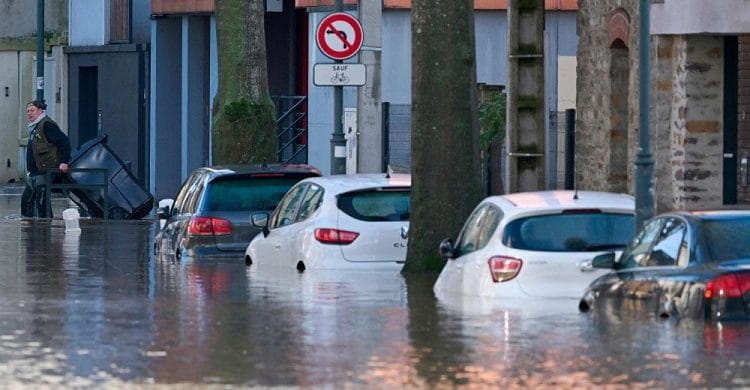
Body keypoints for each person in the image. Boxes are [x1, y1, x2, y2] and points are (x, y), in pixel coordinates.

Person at [21, 100, 72, 218]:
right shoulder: (34, 127)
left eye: (32, 110)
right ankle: (30, 229)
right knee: (26, 201)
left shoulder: (47, 125)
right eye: (28, 111)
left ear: (40, 111)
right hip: (34, 172)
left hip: (45, 171)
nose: (29, 113)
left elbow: (64, 141)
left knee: (42, 202)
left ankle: (45, 229)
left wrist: (64, 162)